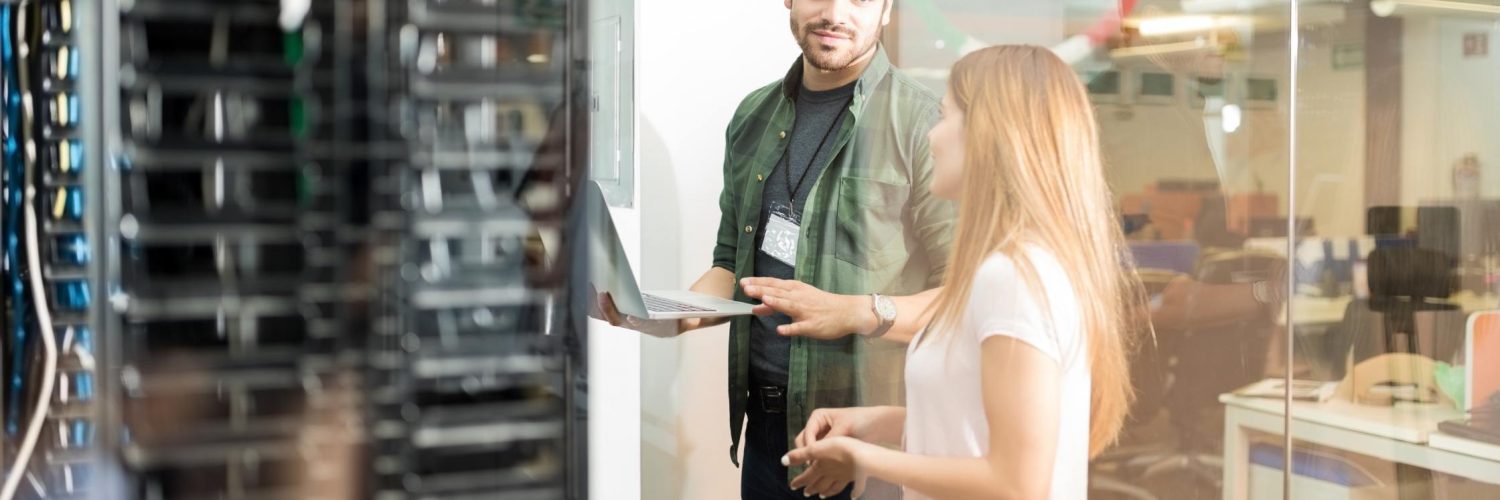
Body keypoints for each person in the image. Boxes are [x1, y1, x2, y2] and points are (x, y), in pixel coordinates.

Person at [594, 0, 955, 498]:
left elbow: (963, 297)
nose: (834, 12)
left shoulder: (925, 123)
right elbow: (730, 264)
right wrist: (671, 314)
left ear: (888, 8)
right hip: (764, 432)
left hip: (866, 441)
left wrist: (854, 312)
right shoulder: (753, 116)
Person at [770, 45, 1147, 499]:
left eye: (946, 118)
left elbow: (1016, 483)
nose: (932, 136)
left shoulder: (1012, 278)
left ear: (990, 135)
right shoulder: (1012, 267)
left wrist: (864, 459)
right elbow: (983, 424)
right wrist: (875, 423)